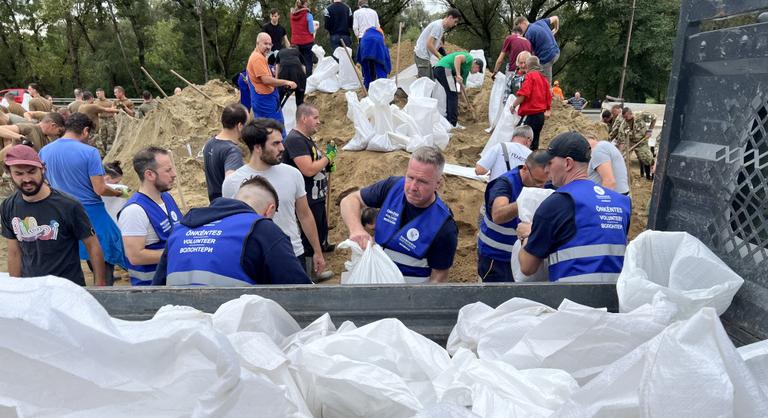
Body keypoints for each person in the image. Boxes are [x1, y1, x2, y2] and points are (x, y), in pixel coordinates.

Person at [153, 176, 311, 286]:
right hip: (232, 329)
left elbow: (155, 291)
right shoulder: (263, 229)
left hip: (178, 327)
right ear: (269, 211)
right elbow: (298, 290)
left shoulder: (180, 229)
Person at [516, 132, 631, 282]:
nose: (546, 170)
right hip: (616, 297)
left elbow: (527, 267)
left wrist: (528, 234)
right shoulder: (621, 202)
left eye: (550, 163)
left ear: (568, 163)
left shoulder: (558, 202)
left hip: (573, 299)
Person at [221, 118, 327, 279]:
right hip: (252, 259)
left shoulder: (293, 174)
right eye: (275, 144)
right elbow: (229, 225)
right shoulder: (233, 182)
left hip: (292, 255)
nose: (282, 148)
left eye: (281, 142)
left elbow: (305, 215)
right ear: (257, 147)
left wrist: (317, 252)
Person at [340, 146, 459, 283]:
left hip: (409, 297)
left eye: (422, 181)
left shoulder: (443, 227)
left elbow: (438, 278)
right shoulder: (393, 188)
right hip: (373, 281)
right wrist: (356, 229)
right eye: (410, 177)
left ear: (438, 183)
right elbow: (349, 200)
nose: (412, 187)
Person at [38, 113, 127, 286]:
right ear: (85, 131)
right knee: (103, 257)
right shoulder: (90, 152)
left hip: (59, 212)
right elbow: (99, 188)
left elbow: (45, 183)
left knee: (73, 259)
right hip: (91, 212)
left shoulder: (45, 151)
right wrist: (119, 193)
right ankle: (103, 299)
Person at [1, 145, 106, 286]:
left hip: (66, 289)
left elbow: (93, 246)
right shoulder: (9, 206)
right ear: (10, 173)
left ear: (42, 169)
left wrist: (100, 286)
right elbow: (14, 252)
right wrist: (16, 288)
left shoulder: (68, 205)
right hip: (31, 289)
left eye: (32, 172)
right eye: (19, 174)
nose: (26, 179)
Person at [477, 151, 550, 282]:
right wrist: (524, 201)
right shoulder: (504, 183)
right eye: (538, 181)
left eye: (545, 182)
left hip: (525, 257)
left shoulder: (544, 183)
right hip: (497, 259)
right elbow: (498, 214)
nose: (541, 187)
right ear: (525, 168)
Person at [283, 103, 335, 280]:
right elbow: (308, 169)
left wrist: (327, 162)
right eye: (315, 118)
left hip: (316, 196)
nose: (319, 122)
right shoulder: (295, 140)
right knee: (307, 238)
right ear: (304, 118)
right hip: (306, 198)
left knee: (318, 233)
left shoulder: (306, 139)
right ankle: (307, 276)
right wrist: (327, 159)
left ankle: (314, 272)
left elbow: (316, 164)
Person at [118, 147, 182, 286]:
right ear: (150, 175)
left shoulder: (167, 198)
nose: (174, 174)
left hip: (171, 284)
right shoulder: (134, 211)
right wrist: (181, 253)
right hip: (151, 292)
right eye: (168, 170)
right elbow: (135, 256)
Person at [246, 32, 297, 127]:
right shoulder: (257, 58)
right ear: (257, 43)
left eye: (270, 44)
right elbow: (266, 80)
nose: (268, 47)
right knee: (273, 130)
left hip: (267, 100)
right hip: (264, 101)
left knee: (270, 130)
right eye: (265, 44)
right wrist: (286, 82)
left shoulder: (261, 56)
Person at [203, 103, 247, 202]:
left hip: (215, 204)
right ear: (239, 126)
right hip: (228, 207)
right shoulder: (232, 151)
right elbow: (231, 182)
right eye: (246, 124)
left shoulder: (209, 144)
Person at [510, 55, 552, 150]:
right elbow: (548, 96)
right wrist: (548, 109)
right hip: (540, 116)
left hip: (530, 114)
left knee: (519, 137)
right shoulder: (544, 78)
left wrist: (513, 105)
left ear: (528, 66)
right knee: (533, 140)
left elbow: (523, 93)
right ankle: (532, 162)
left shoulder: (530, 76)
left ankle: (519, 160)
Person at [433, 51, 483, 127]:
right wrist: (458, 74)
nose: (477, 72)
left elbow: (462, 89)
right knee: (453, 95)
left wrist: (468, 104)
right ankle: (453, 123)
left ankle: (449, 120)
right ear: (475, 63)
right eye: (478, 70)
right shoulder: (470, 58)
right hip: (444, 68)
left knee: (451, 94)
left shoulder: (465, 72)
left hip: (440, 70)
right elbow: (457, 58)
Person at [413, 9, 460, 79]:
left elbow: (433, 44)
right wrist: (440, 57)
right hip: (422, 56)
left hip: (424, 57)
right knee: (426, 84)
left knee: (430, 82)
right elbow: (429, 44)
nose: (455, 24)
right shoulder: (438, 26)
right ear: (450, 17)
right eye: (455, 21)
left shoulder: (440, 26)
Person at [514, 16, 560, 84]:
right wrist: (556, 28)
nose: (520, 31)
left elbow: (529, 55)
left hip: (547, 57)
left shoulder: (528, 34)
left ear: (523, 23)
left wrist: (521, 67)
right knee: (537, 71)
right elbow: (556, 18)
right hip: (556, 52)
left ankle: (546, 91)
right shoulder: (541, 22)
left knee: (544, 83)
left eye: (519, 28)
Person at [617, 107, 656, 180]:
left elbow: (654, 117)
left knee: (647, 159)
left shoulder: (641, 115)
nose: (625, 119)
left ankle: (652, 172)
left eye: (626, 117)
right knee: (623, 158)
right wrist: (620, 153)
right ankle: (625, 177)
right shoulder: (623, 125)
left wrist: (650, 130)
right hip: (630, 142)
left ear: (630, 114)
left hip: (642, 141)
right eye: (624, 117)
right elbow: (621, 141)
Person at [0, 112, 65, 150]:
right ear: (53, 125)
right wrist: (21, 137)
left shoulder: (48, 138)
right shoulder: (30, 128)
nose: (58, 135)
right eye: (59, 131)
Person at [290, 0, 317, 78]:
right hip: (307, 42)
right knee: (308, 62)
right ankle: (307, 80)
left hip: (295, 42)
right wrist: (315, 28)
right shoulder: (308, 15)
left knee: (298, 62)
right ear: (305, 4)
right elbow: (311, 30)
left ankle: (299, 80)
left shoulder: (292, 15)